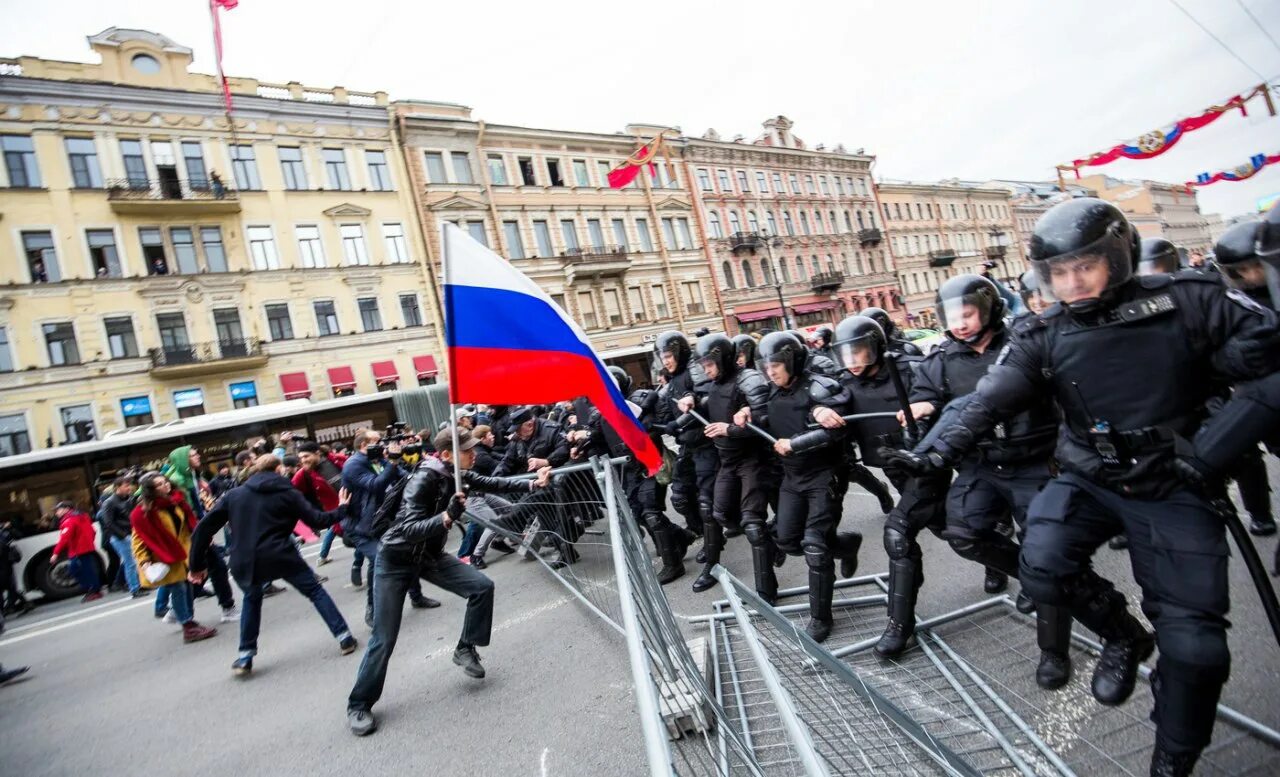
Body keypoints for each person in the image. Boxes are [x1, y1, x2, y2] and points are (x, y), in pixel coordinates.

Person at [885, 197, 1280, 776]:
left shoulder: (1191, 301)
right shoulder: (1045, 332)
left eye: (1085, 267)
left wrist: (1215, 448)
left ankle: (1172, 758)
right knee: (1041, 565)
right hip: (1089, 478)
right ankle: (1122, 634)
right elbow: (988, 397)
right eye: (1059, 273)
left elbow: (1268, 367)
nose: (1072, 283)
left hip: (1175, 486)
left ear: (1117, 257)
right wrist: (935, 452)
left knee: (1197, 650)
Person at [886, 276, 1073, 688]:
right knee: (965, 532)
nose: (960, 324)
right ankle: (1027, 575)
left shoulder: (1023, 343)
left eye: (968, 314)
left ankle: (1054, 650)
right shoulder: (940, 358)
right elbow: (928, 394)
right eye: (953, 317)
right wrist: (920, 405)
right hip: (981, 464)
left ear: (989, 310)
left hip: (1034, 463)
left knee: (1047, 553)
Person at [348, 428, 548, 736]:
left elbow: (495, 482)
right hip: (396, 559)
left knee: (482, 587)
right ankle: (359, 703)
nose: (473, 454)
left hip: (428, 556)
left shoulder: (458, 474)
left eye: (472, 448)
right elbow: (409, 528)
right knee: (384, 638)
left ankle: (465, 648)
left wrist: (533, 483)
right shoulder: (424, 479)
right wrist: (445, 518)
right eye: (467, 449)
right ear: (445, 454)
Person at [817, 315, 953, 654]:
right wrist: (820, 411)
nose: (853, 362)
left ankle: (899, 625)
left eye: (860, 352)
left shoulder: (907, 368)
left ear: (876, 347)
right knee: (951, 528)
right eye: (846, 355)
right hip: (892, 467)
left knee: (899, 533)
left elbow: (948, 400)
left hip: (926, 466)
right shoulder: (845, 381)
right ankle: (1006, 562)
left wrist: (928, 407)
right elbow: (825, 402)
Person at [735, 332, 861, 642]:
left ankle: (821, 618)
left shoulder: (821, 387)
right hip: (791, 478)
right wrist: (748, 414)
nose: (771, 371)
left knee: (815, 547)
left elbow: (836, 430)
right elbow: (772, 416)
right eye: (766, 364)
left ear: (793, 361)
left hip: (823, 476)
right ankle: (846, 545)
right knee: (787, 540)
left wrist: (799, 440)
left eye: (776, 364)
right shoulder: (774, 391)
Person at [189, 454, 356, 676]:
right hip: (281, 554)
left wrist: (196, 565)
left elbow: (203, 529)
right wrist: (342, 508)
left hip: (244, 558)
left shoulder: (234, 496)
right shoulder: (288, 493)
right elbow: (317, 520)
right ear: (277, 470)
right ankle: (344, 637)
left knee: (251, 599)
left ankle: (245, 655)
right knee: (315, 591)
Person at [682, 335, 776, 600]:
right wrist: (691, 400)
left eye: (710, 363)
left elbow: (766, 421)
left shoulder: (749, 379)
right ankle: (771, 544)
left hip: (753, 460)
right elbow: (709, 401)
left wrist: (731, 429)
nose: (706, 369)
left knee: (753, 524)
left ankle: (766, 592)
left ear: (722, 358)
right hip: (727, 461)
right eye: (702, 364)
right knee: (721, 513)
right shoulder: (714, 383)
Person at [342, 429, 439, 627]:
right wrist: (393, 462)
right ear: (363, 446)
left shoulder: (380, 459)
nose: (384, 446)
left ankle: (416, 596)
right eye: (378, 442)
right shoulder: (353, 465)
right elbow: (375, 485)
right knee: (380, 561)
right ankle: (373, 609)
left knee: (405, 553)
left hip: (384, 521)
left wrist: (422, 473)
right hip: (362, 526)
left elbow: (404, 476)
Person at [130, 473, 217, 644]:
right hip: (164, 556)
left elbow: (188, 526)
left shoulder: (176, 502)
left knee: (189, 586)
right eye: (159, 485)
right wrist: (144, 560)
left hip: (184, 553)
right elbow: (138, 539)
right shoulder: (144, 512)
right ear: (151, 490)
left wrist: (203, 537)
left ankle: (189, 620)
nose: (166, 486)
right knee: (179, 589)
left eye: (165, 482)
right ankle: (187, 626)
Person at [653, 332, 715, 558]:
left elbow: (705, 397)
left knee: (706, 499)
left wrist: (679, 422)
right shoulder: (672, 381)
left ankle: (713, 542)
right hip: (688, 447)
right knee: (679, 495)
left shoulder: (694, 370)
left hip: (708, 444)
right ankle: (699, 530)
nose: (666, 361)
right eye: (663, 357)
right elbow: (662, 410)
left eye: (669, 355)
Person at [166, 446, 237, 621]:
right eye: (193, 455)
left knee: (203, 570)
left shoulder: (192, 476)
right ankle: (226, 608)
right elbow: (186, 512)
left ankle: (178, 609)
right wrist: (201, 533)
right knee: (214, 568)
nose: (198, 456)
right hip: (193, 533)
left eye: (197, 453)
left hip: (198, 531)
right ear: (183, 460)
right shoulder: (178, 480)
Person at [97, 476, 144, 598]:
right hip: (121, 537)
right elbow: (109, 522)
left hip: (130, 534)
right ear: (117, 488)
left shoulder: (128, 499)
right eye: (126, 486)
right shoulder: (110, 502)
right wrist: (123, 536)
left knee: (136, 561)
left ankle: (139, 585)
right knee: (130, 563)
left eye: (129, 485)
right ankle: (135, 588)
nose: (129, 488)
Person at [49, 501, 102, 602]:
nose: (56, 513)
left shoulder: (69, 521)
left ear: (66, 509)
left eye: (58, 510)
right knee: (88, 569)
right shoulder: (83, 516)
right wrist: (89, 542)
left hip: (78, 550)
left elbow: (64, 538)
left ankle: (93, 590)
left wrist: (55, 553)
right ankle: (94, 590)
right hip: (87, 547)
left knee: (75, 570)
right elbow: (92, 531)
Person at [0, 520, 31, 614]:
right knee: (9, 587)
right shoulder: (3, 532)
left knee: (6, 587)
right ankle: (23, 603)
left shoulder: (3, 533)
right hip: (5, 565)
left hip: (3, 565)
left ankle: (5, 610)